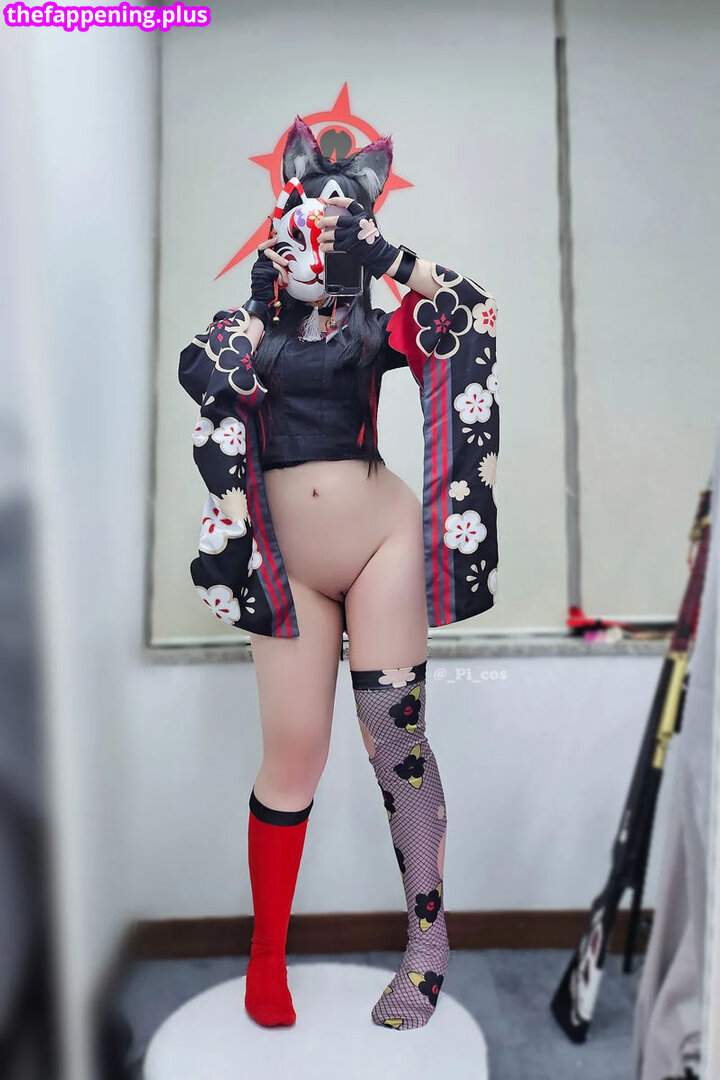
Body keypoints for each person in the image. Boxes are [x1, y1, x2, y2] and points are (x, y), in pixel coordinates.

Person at [177, 116, 500, 1032]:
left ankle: (427, 947)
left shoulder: (379, 320)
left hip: (380, 545)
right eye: (305, 217)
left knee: (395, 745)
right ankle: (265, 958)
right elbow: (200, 371)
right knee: (292, 759)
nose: (319, 235)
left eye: (340, 220)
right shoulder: (244, 326)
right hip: (286, 570)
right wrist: (260, 303)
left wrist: (389, 257)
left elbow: (473, 310)